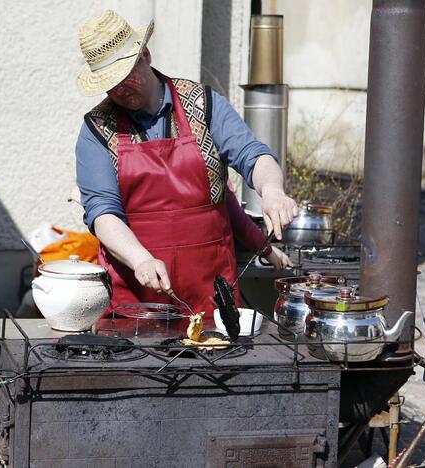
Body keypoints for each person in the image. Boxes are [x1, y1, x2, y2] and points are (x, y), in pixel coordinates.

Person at [75, 10, 297, 315]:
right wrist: (140, 259)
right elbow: (103, 214)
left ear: (146, 56)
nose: (122, 90)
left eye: (126, 77)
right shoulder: (97, 130)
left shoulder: (203, 104)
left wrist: (272, 191)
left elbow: (253, 155)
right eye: (111, 85)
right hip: (137, 304)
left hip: (212, 296)